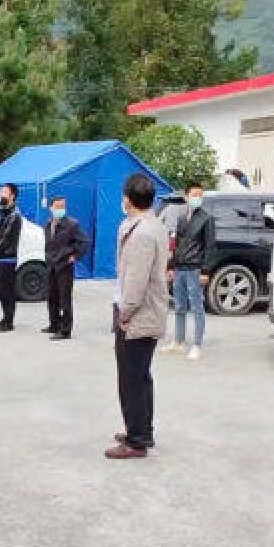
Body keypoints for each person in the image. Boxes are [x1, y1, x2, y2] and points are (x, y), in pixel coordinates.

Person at [106, 174, 169, 460]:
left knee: (131, 378)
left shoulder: (142, 233)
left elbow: (136, 282)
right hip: (145, 313)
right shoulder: (150, 225)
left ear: (128, 199)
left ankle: (137, 440)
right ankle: (141, 429)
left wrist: (125, 312)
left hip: (138, 316)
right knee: (140, 377)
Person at [165, 182, 215, 359]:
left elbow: (209, 247)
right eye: (194, 194)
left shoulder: (206, 218)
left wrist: (205, 271)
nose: (197, 198)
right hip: (180, 267)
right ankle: (178, 341)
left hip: (195, 268)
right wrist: (170, 266)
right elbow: (175, 244)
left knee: (197, 307)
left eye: (200, 194)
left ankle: (196, 344)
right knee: (179, 306)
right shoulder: (181, 217)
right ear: (186, 197)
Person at [40, 196, 89, 341]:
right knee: (51, 296)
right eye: (57, 206)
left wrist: (75, 256)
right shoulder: (48, 224)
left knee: (64, 299)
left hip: (64, 266)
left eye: (63, 206)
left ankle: (65, 330)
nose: (60, 209)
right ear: (51, 208)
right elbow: (49, 244)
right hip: (51, 264)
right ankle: (54, 324)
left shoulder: (72, 224)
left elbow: (84, 242)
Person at [0, 183, 23, 332]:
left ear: (12, 195)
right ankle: (5, 317)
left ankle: (9, 322)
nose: (1, 194)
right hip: (2, 257)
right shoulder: (5, 212)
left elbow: (6, 238)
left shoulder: (14, 215)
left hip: (8, 257)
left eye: (4, 192)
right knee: (2, 289)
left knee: (8, 291)